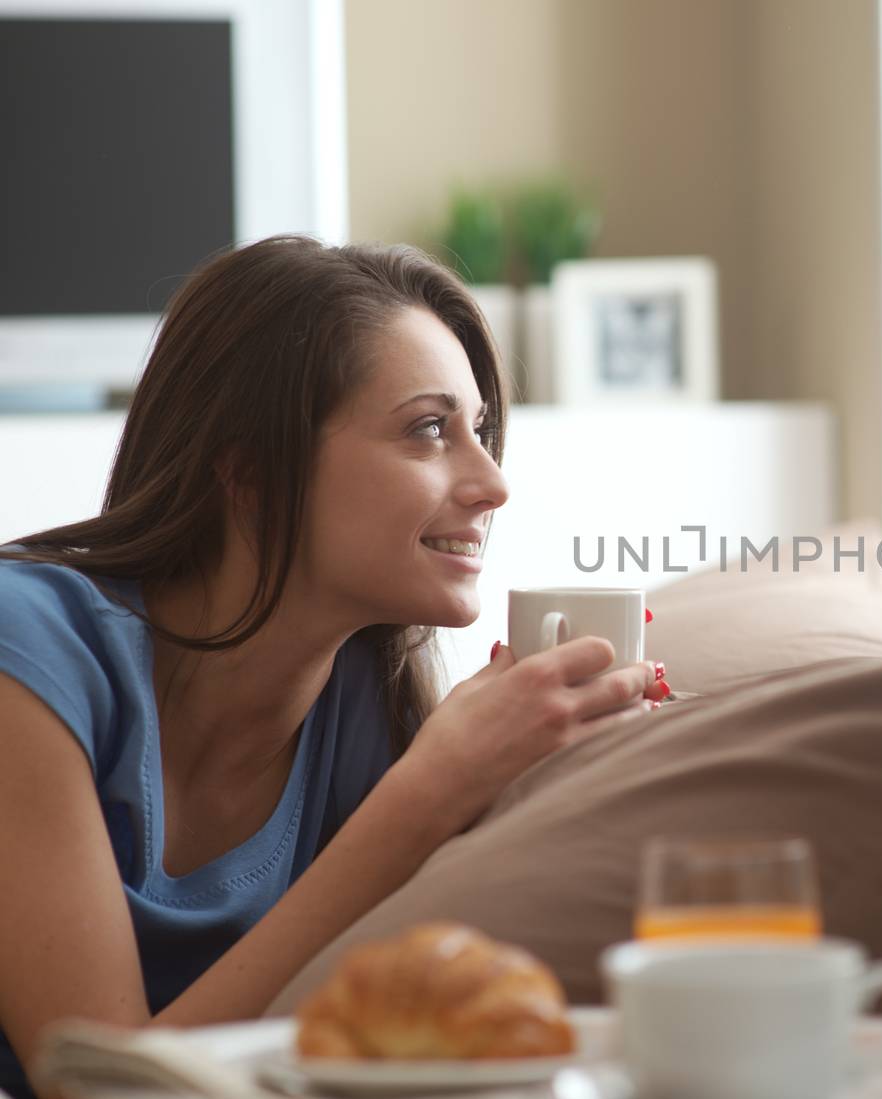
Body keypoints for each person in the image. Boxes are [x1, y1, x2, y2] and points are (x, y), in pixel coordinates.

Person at [0, 236, 670, 1099]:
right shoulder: (27, 653)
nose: (492, 482)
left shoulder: (370, 702)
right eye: (430, 429)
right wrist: (428, 794)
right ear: (250, 473)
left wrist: (558, 783)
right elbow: (106, 1086)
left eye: (482, 431)